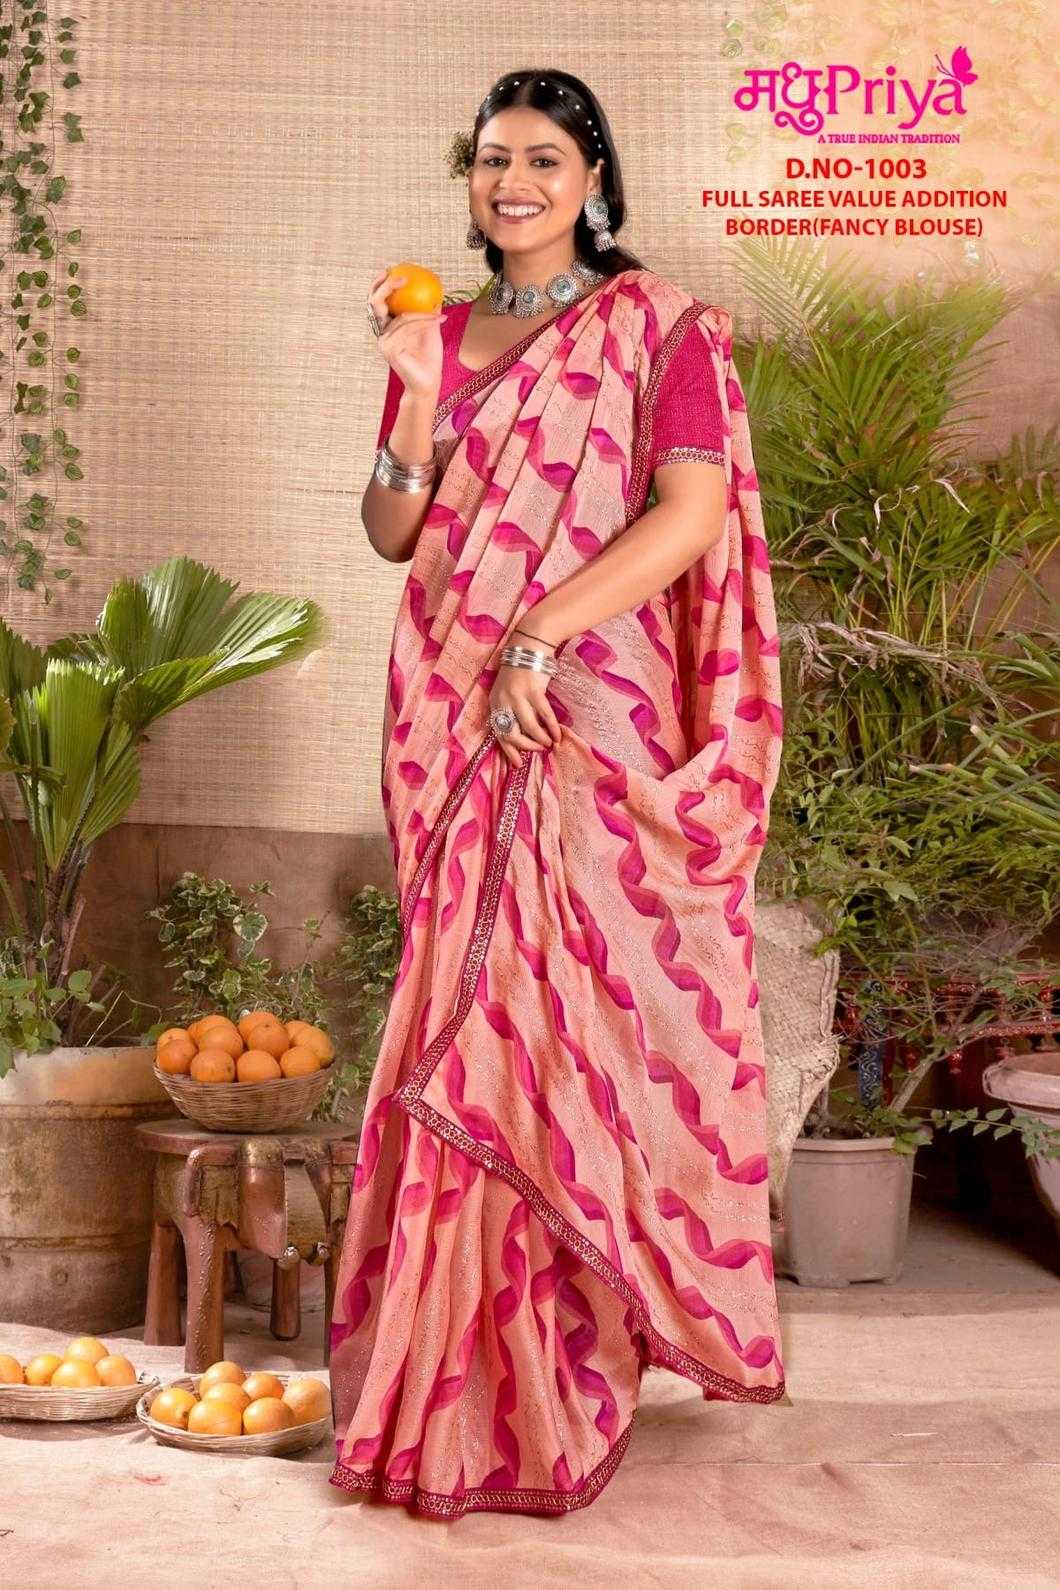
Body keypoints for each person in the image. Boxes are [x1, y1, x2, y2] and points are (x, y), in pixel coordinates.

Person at [328, 66, 786, 1520]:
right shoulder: (441, 331)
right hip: (451, 709)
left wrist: (542, 630)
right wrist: (414, 393)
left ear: (594, 178)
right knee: (465, 1021)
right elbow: (395, 530)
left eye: (543, 158)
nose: (512, 183)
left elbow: (690, 511)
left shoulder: (664, 325)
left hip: (582, 705)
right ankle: (452, 1383)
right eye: (491, 159)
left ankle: (556, 1376)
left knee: (564, 1023)